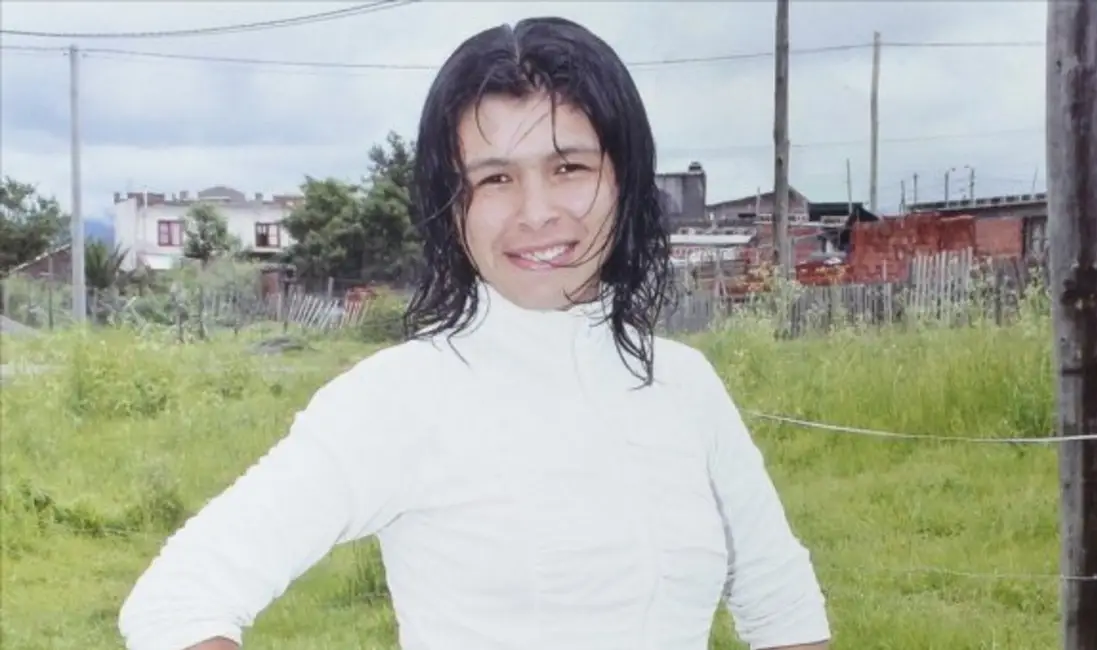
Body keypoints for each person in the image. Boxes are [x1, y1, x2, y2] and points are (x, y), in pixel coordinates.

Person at [117, 16, 830, 650]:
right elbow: (178, 600)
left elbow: (783, 607)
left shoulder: (684, 387)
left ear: (624, 179)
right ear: (450, 207)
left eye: (569, 167)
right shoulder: (401, 396)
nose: (536, 212)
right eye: (494, 180)